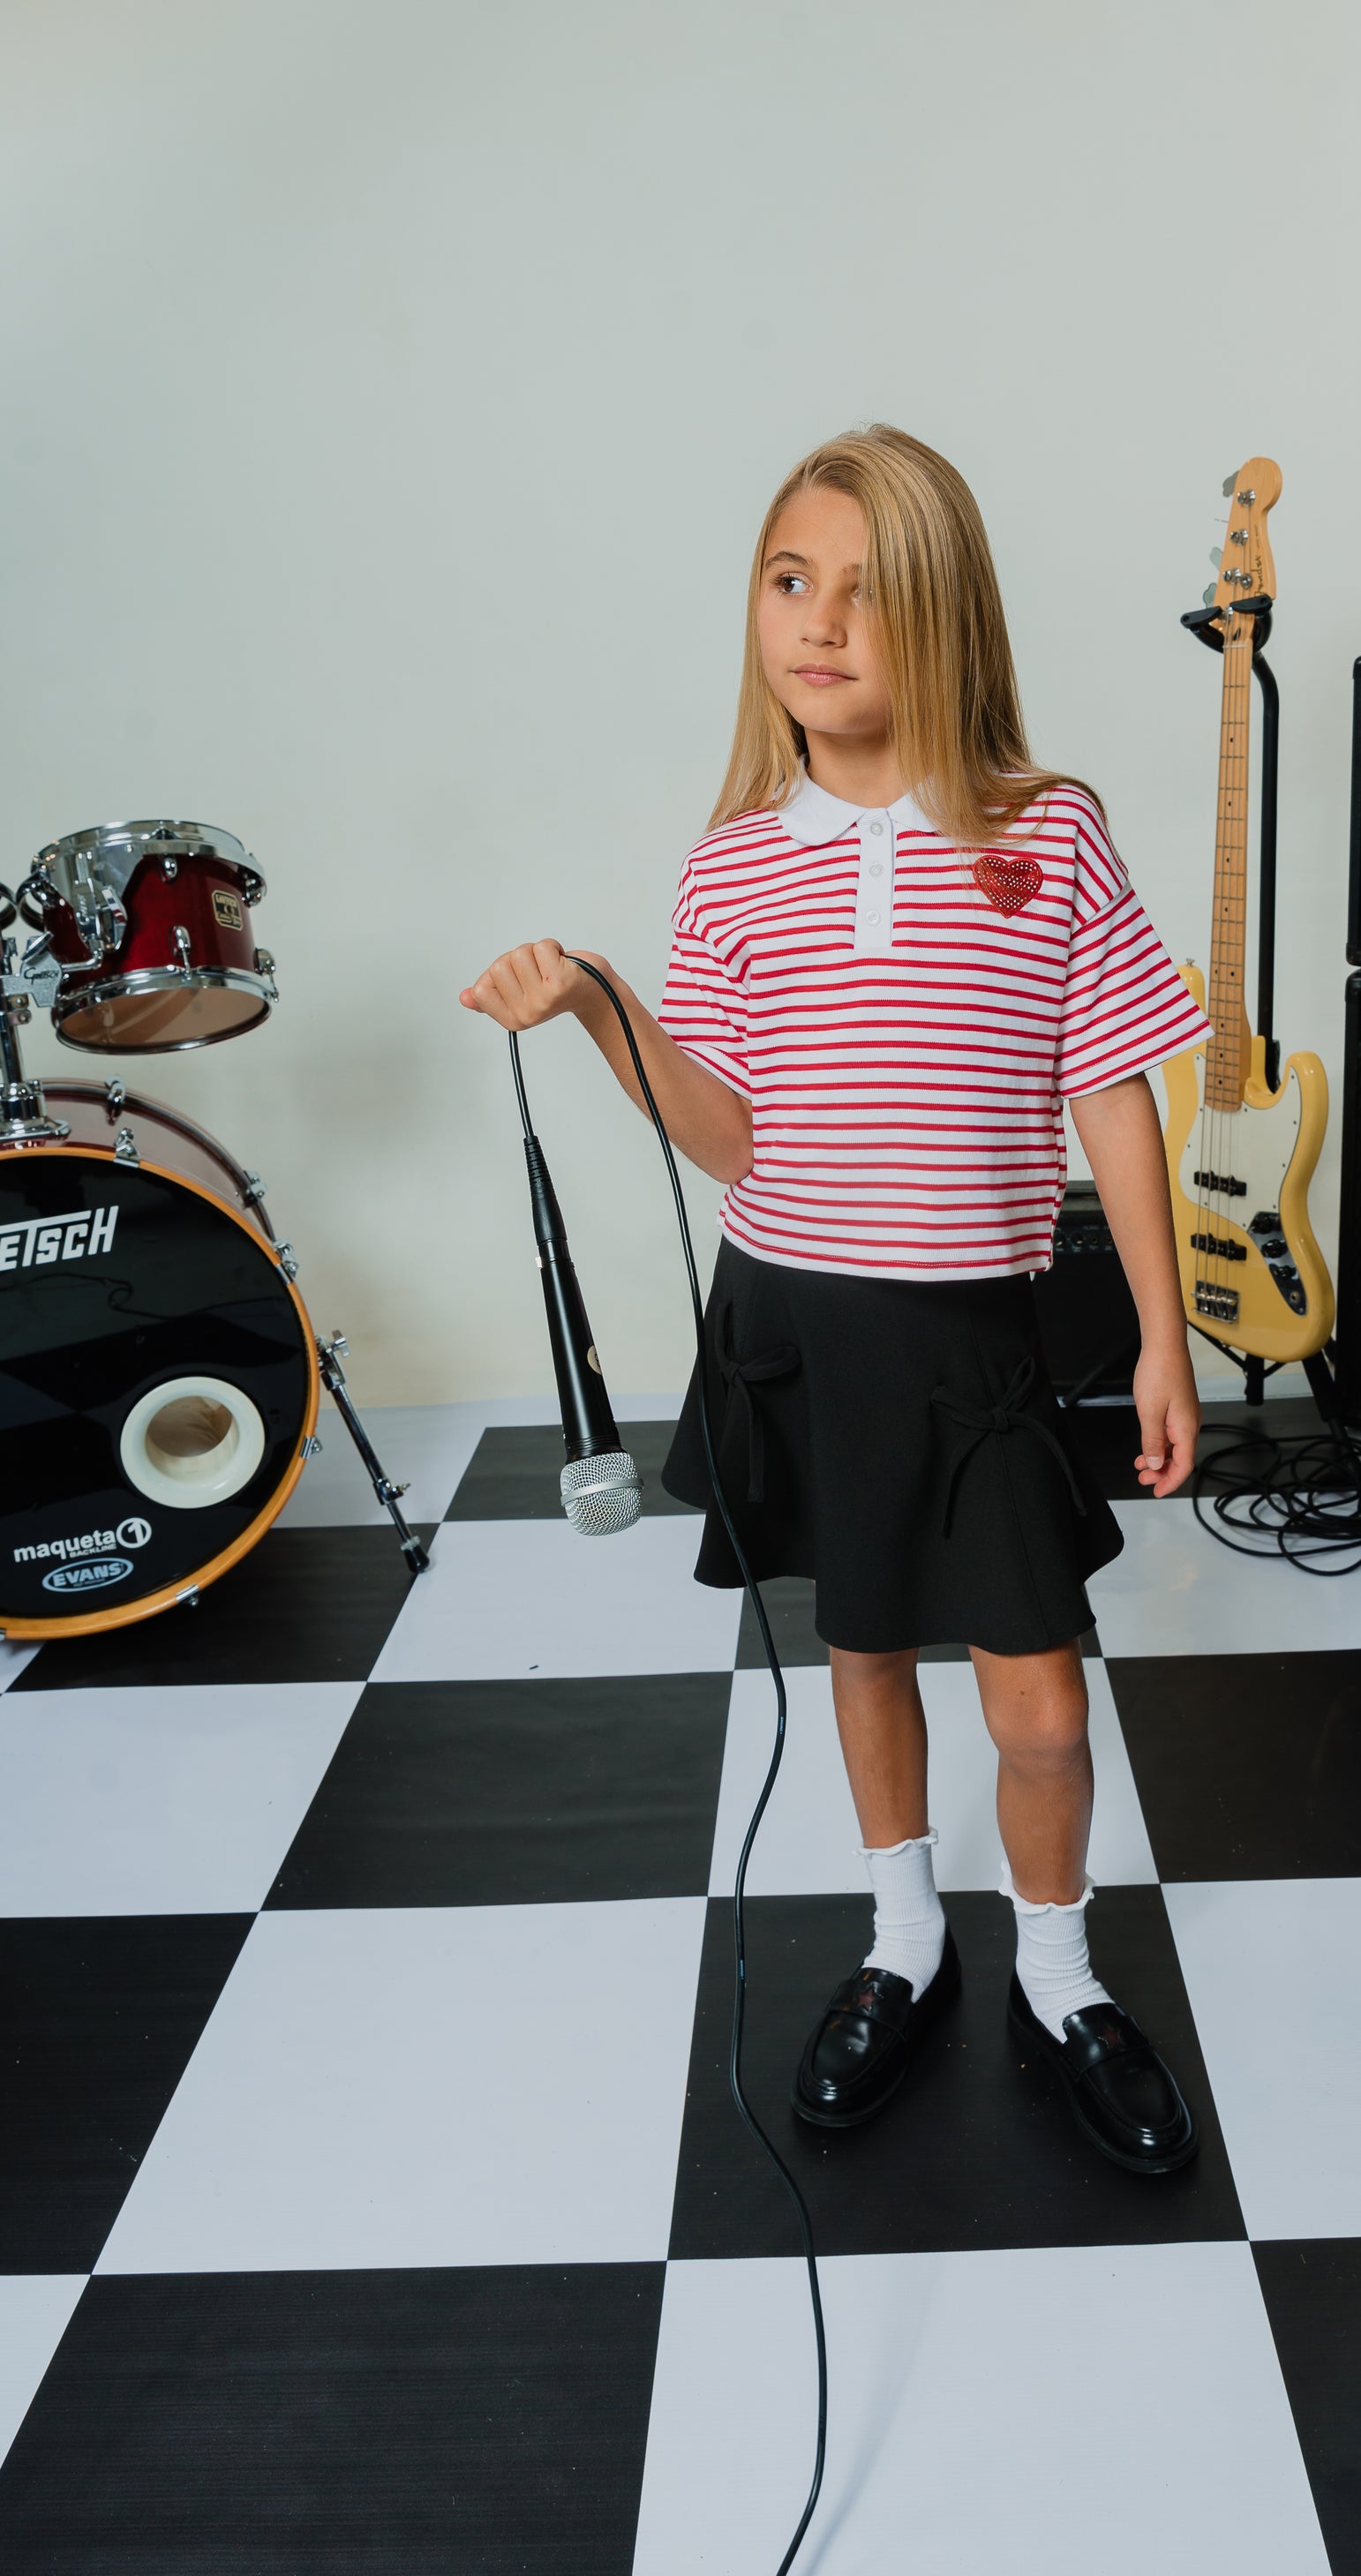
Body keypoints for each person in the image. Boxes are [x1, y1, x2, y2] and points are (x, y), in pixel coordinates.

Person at [461, 424, 1210, 2174]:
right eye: (788, 581)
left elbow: (1109, 1087)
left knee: (1038, 1702)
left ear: (946, 619)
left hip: (971, 1336)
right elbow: (734, 1136)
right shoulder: (734, 861)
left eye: (867, 593)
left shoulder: (1047, 829)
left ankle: (1059, 1970)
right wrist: (606, 1011)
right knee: (860, 1646)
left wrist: (1164, 1332)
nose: (818, 623)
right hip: (797, 1313)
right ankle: (903, 1938)